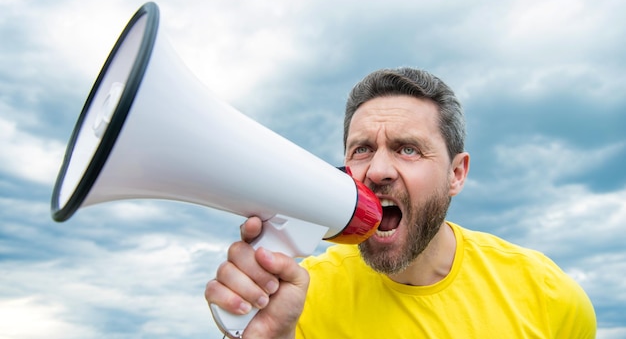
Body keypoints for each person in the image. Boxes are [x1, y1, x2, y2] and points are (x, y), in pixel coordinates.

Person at [205, 67, 597, 338]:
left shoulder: (548, 296)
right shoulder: (299, 296)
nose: (377, 171)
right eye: (361, 150)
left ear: (456, 174)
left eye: (407, 149)